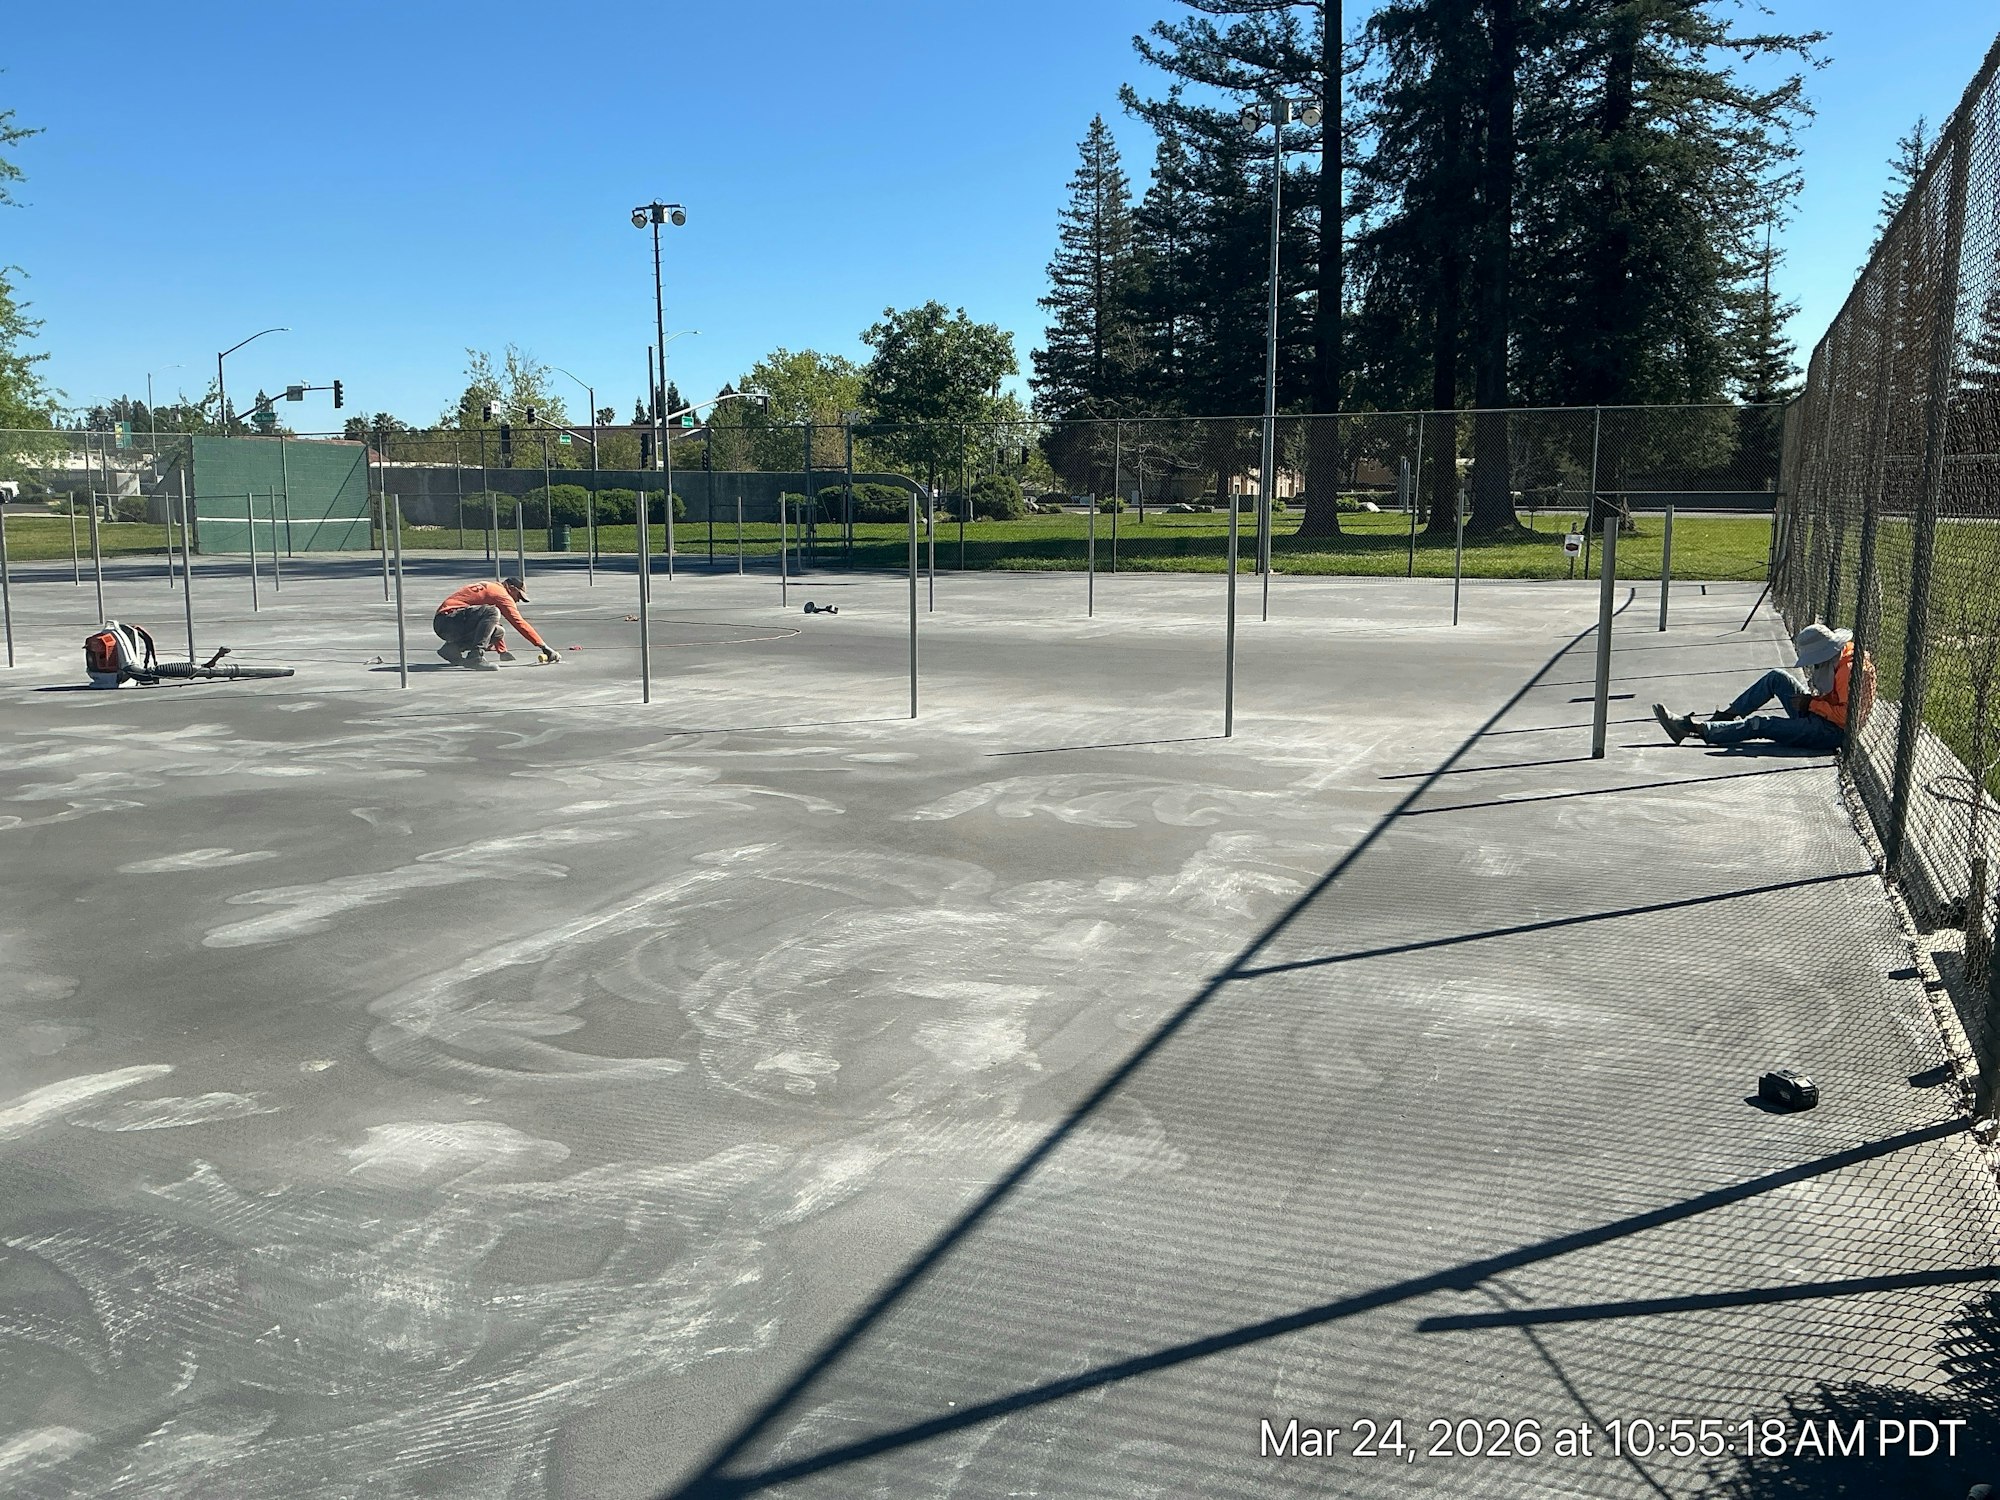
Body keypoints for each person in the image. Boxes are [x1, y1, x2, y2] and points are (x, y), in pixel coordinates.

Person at [1653, 623, 1872, 751]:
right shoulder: (1839, 658)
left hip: (1832, 732)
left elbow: (1846, 719)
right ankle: (1724, 719)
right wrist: (1812, 704)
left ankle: (1693, 728)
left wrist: (1811, 704)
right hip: (1821, 714)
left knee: (1761, 725)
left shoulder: (1849, 671)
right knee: (1777, 678)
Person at [432, 576, 559, 670]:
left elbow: (489, 625)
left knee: (498, 631)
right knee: (493, 611)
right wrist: (544, 647)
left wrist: (502, 651)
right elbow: (518, 622)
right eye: (518, 596)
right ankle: (476, 656)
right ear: (511, 588)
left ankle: (451, 649)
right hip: (449, 619)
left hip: (445, 623)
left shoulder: (492, 587)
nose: (517, 601)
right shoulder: (502, 595)